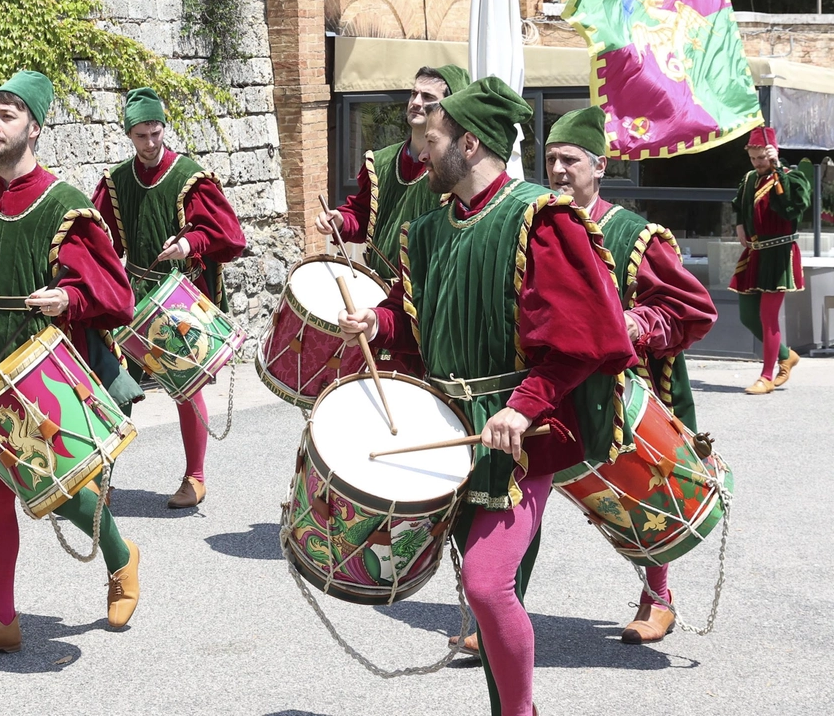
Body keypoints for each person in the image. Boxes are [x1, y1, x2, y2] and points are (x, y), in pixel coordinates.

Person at [338, 78, 636, 716]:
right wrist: (379, 324)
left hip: (518, 434)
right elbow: (418, 321)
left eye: (436, 137)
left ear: (470, 144)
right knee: (483, 591)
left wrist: (523, 406)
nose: (423, 149)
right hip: (449, 428)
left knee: (487, 580)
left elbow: (584, 341)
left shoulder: (542, 220)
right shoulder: (428, 229)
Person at [449, 106, 717, 654]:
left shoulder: (634, 234)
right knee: (519, 494)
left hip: (630, 390)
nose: (559, 170)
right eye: (550, 159)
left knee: (644, 493)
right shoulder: (536, 221)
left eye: (570, 160)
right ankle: (498, 609)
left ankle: (657, 597)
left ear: (599, 167)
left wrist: (635, 323)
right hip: (558, 387)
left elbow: (693, 308)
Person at [0, 70, 143, 659]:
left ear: (34, 128)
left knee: (59, 488)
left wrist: (71, 296)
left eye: (8, 115)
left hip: (47, 361)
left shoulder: (65, 205)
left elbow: (115, 292)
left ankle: (121, 557)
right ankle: (2, 618)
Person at [92, 87, 245, 509]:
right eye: (141, 135)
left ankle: (195, 476)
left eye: (155, 132)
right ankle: (103, 477)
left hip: (178, 295)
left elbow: (231, 235)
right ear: (129, 135)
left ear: (164, 128)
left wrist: (189, 242)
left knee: (184, 385)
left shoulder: (189, 177)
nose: (150, 143)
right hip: (132, 293)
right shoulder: (116, 182)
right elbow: (99, 240)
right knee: (114, 384)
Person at [313, 65, 469, 281]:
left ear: (448, 107)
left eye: (427, 97)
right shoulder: (382, 163)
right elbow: (362, 216)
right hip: (382, 290)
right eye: (414, 93)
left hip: (432, 293)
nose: (415, 102)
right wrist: (340, 220)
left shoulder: (456, 169)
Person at [729, 126, 813, 394]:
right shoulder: (750, 179)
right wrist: (740, 225)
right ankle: (787, 355)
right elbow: (739, 205)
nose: (757, 164)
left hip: (779, 253)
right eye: (753, 159)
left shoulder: (791, 177)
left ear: (772, 154)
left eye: (761, 159)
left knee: (767, 317)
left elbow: (792, 205)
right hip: (755, 252)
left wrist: (777, 167)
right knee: (747, 315)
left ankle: (766, 377)